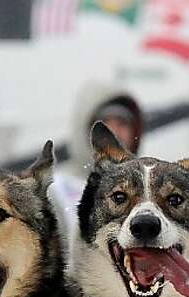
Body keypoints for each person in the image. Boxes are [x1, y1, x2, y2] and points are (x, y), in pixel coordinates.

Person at [49, 86, 144, 238]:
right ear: (85, 129)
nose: (114, 132)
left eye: (122, 123)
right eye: (105, 123)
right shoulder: (57, 190)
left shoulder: (149, 192)